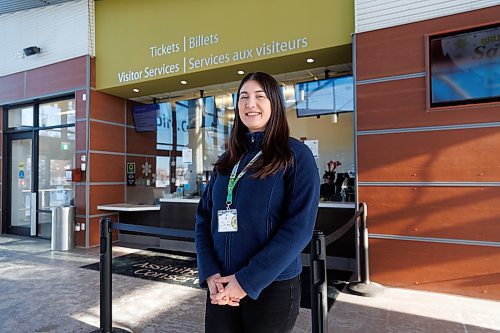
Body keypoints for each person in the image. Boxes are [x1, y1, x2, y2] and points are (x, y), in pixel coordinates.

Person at [195, 72, 320, 333]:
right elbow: (203, 218)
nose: (250, 104)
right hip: (221, 286)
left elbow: (299, 228)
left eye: (259, 96)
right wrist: (210, 273)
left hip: (272, 288)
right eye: (243, 97)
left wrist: (246, 281)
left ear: (274, 103)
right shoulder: (228, 160)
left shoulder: (295, 155)